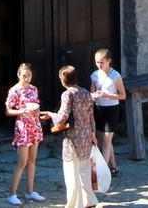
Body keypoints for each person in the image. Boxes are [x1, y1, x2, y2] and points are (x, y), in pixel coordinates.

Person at [46, 66, 96, 208]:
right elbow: (91, 116)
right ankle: (89, 201)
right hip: (86, 135)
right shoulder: (85, 92)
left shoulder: (68, 94)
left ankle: (75, 204)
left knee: (72, 172)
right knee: (84, 170)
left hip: (73, 138)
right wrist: (93, 134)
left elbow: (62, 117)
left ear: (63, 80)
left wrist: (50, 115)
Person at [4, 64, 45, 205]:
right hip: (23, 127)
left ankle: (30, 191)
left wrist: (37, 112)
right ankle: (12, 194)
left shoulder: (34, 89)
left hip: (34, 125)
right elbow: (8, 110)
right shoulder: (14, 90)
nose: (26, 78)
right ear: (18, 75)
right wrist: (21, 111)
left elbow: (36, 105)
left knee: (32, 160)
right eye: (24, 76)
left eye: (29, 76)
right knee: (22, 161)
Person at [89, 49, 125, 175]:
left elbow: (122, 95)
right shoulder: (95, 75)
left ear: (109, 61)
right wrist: (94, 96)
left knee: (106, 141)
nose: (99, 65)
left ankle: (102, 173)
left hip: (112, 109)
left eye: (101, 62)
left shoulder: (115, 76)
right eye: (97, 62)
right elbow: (91, 92)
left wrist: (107, 95)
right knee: (103, 140)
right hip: (99, 109)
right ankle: (114, 166)